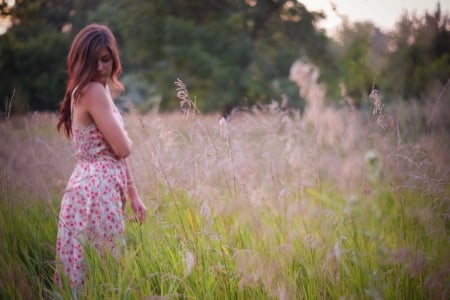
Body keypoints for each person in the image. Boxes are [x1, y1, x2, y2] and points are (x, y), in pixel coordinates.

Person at [55, 23, 147, 290]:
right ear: (80, 61)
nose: (100, 67)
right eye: (92, 61)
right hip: (97, 192)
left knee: (89, 273)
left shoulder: (97, 89)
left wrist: (133, 194)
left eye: (105, 59)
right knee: (103, 276)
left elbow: (112, 151)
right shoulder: (93, 91)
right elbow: (122, 148)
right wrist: (126, 136)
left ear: (114, 59)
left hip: (90, 188)